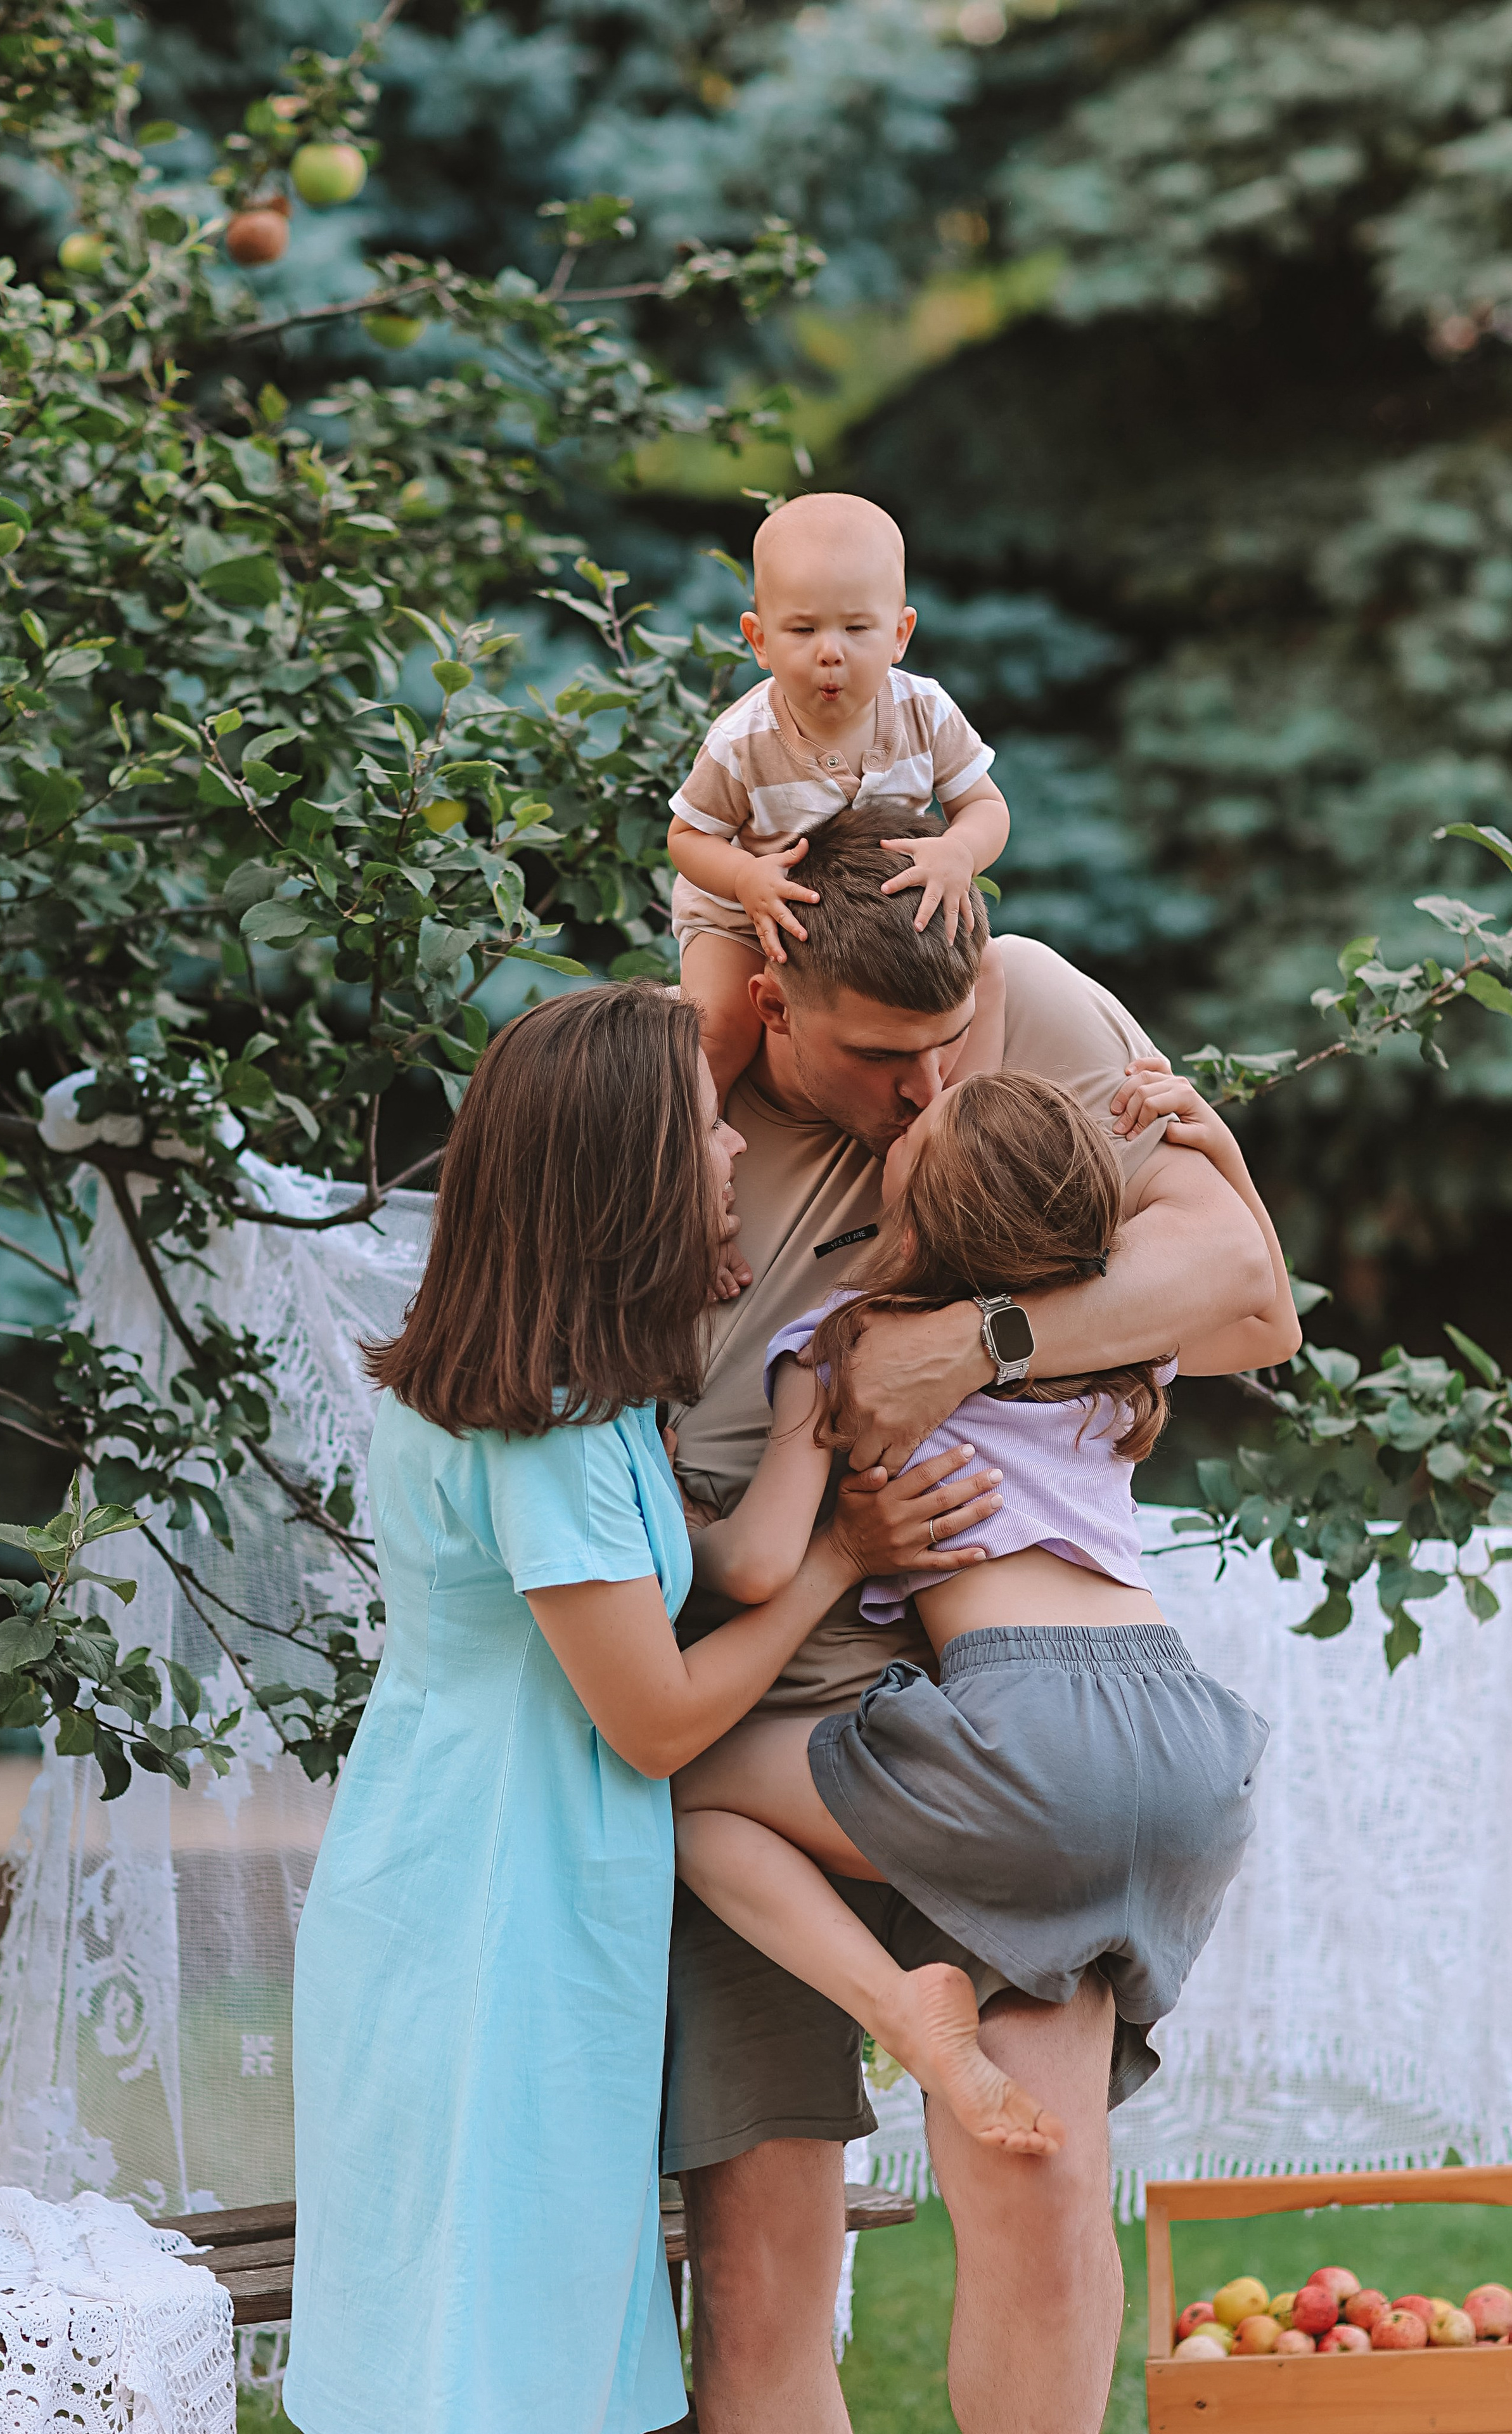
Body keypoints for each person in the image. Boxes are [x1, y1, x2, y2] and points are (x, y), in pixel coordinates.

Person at [282, 983, 1005, 2434]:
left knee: (529, 2320)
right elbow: (658, 1721)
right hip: (487, 1904)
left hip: (532, 1883)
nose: (732, 1148)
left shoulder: (595, 1402)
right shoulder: (541, 1425)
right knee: (489, 2349)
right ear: (625, 1166)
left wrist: (817, 1432)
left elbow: (716, 1566)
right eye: (704, 1125)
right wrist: (841, 1565)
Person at [661, 801, 1303, 2434]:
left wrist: (975, 1341)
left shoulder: (1004, 1035)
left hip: (978, 1731)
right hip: (1085, 1730)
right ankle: (900, 2015)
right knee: (759, 2273)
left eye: (950, 1045)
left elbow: (1247, 1294)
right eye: (885, 1057)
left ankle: (912, 2020)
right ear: (771, 1002)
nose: (931, 1085)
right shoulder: (663, 1107)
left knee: (1035, 2180)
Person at [670, 1067, 1281, 2185]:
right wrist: (1222, 1151)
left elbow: (756, 1565)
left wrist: (665, 1528)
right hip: (1193, 1751)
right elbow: (1271, 1320)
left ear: (914, 1215)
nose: (923, 1097)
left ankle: (899, 2008)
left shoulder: (852, 1347)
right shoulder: (1115, 1348)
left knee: (685, 1792)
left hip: (1030, 1743)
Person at [667, 492, 1011, 1111]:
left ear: (899, 634)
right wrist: (745, 878)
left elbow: (984, 805)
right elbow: (688, 838)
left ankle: (959, 1123)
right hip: (751, 913)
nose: (831, 651)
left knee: (982, 975)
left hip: (871, 922)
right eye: (803, 630)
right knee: (719, 1025)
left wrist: (959, 851)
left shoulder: (926, 711)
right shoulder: (741, 740)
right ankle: (689, 1140)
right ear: (759, 640)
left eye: (856, 628)